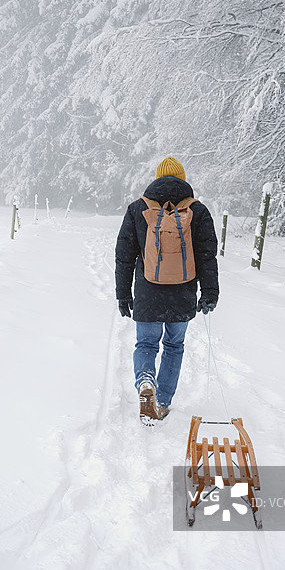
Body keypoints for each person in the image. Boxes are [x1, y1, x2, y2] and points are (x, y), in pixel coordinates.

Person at [115, 156, 219, 423]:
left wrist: (123, 293)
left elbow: (124, 255)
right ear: (182, 179)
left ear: (157, 178)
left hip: (148, 291)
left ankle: (145, 383)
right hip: (182, 293)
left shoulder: (138, 209)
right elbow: (207, 256)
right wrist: (210, 292)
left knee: (146, 343)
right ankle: (161, 402)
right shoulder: (198, 211)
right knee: (174, 346)